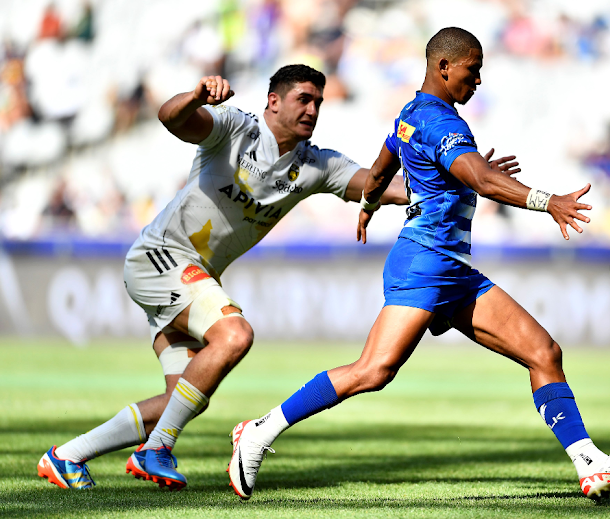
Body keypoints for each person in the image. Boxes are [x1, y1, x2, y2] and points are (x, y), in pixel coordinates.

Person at [227, 28, 610, 501]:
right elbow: (477, 178)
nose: (476, 81)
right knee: (373, 370)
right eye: (471, 71)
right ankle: (259, 431)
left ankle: (590, 463)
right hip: (426, 262)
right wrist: (547, 200)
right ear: (444, 67)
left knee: (543, 352)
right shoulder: (441, 122)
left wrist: (370, 206)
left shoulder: (410, 115)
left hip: (451, 268)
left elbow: (380, 171)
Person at [36, 64, 417, 491]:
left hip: (189, 276)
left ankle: (66, 456)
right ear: (273, 101)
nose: (312, 109)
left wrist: (453, 183)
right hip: (161, 258)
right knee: (234, 335)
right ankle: (156, 449)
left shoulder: (316, 165)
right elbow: (171, 117)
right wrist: (196, 97)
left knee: (181, 397)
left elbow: (378, 185)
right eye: (303, 99)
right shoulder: (235, 128)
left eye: (318, 102)